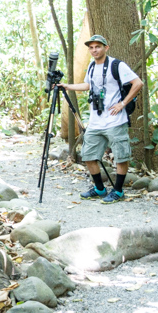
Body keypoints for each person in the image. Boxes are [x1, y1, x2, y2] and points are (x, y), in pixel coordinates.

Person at [58, 34, 143, 204]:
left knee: (120, 156)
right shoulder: (91, 66)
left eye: (98, 46)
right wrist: (67, 86)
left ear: (106, 47)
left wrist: (122, 103)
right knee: (89, 155)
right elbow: (88, 85)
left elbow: (138, 83)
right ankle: (99, 189)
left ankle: (118, 191)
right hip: (96, 121)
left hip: (115, 120)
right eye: (91, 47)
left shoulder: (117, 65)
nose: (94, 50)